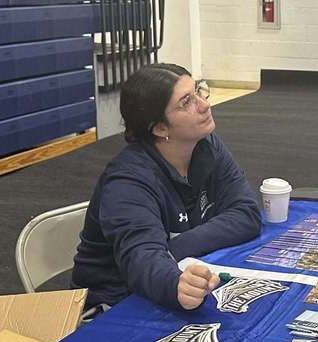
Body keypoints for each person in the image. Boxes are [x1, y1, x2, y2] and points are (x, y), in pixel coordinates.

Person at [71, 63, 261, 313]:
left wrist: (173, 249)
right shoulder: (127, 182)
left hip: (174, 277)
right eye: (186, 102)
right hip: (114, 305)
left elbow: (246, 213)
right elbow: (142, 259)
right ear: (160, 128)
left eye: (198, 91)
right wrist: (175, 281)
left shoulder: (206, 145)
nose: (204, 105)